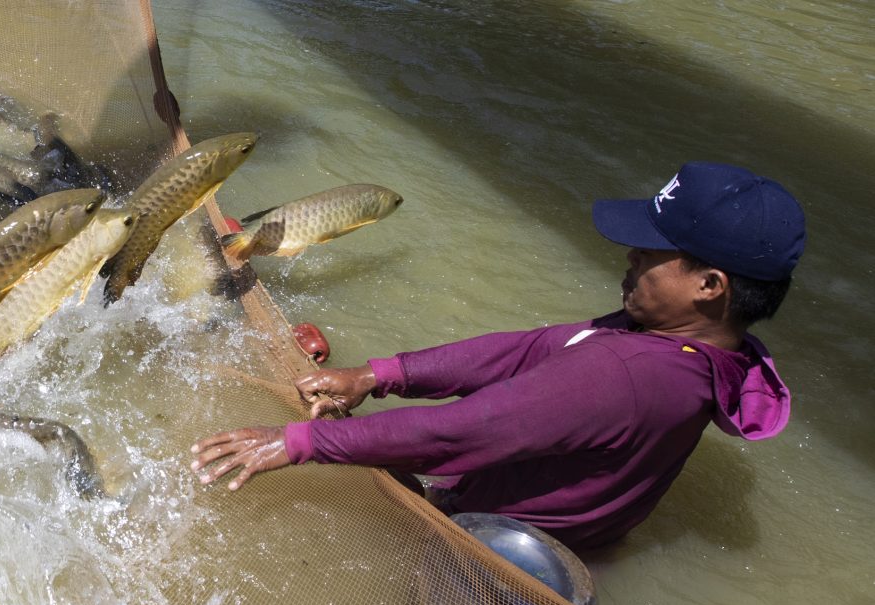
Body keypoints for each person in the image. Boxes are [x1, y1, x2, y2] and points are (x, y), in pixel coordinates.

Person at [190, 161, 806, 550]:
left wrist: (300, 443)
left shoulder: (628, 373)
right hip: (552, 514)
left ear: (710, 286)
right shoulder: (694, 343)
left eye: (651, 252)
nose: (631, 257)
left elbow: (467, 431)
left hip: (490, 551)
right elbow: (525, 350)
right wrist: (382, 374)